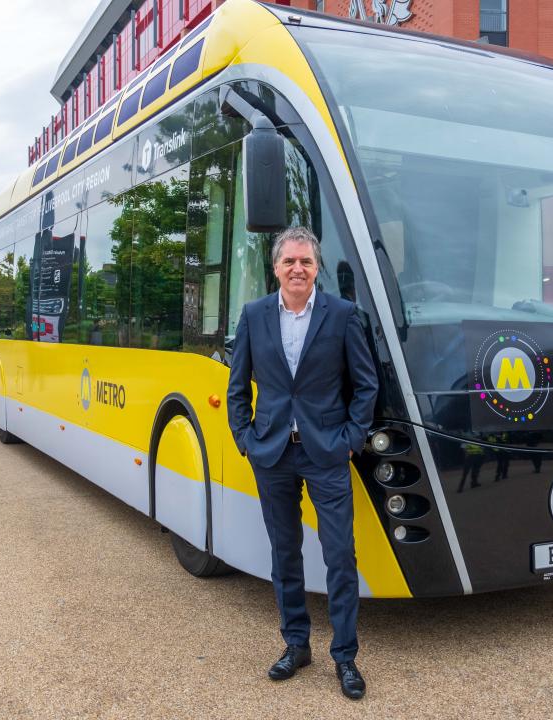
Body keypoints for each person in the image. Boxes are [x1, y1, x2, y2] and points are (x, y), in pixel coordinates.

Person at [227, 226, 378, 700]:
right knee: (285, 553)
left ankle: (345, 657)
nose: (297, 269)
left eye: (306, 262)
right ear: (275, 268)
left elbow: (366, 385)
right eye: (289, 261)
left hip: (326, 452)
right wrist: (245, 439)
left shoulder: (343, 315)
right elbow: (238, 386)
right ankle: (296, 645)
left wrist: (351, 439)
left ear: (316, 268)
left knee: (339, 556)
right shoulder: (253, 316)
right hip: (272, 453)